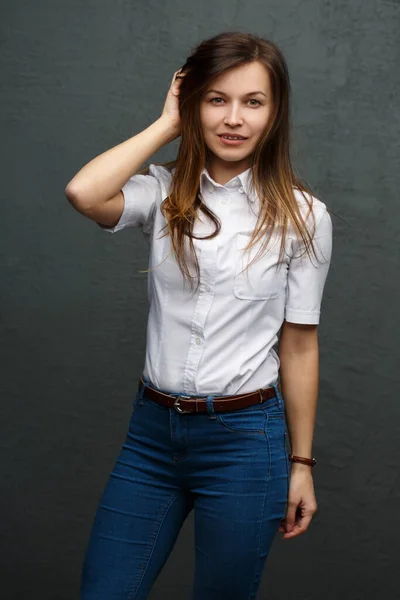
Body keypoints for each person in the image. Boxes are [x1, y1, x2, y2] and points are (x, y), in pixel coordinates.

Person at [65, 31, 333, 600]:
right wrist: (167, 124)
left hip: (244, 443)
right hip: (152, 437)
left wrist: (302, 463)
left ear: (275, 111)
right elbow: (85, 193)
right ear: (193, 104)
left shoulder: (304, 217)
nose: (233, 118)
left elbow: (300, 345)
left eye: (252, 102)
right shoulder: (163, 193)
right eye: (216, 99)